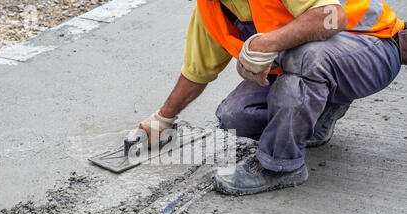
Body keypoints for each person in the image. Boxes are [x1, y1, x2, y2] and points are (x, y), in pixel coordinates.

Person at [138, 0, 405, 195]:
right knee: (235, 115)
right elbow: (197, 71)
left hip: (373, 47)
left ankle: (280, 166)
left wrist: (266, 44)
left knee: (306, 59)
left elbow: (329, 16)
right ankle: (322, 114)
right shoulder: (212, 8)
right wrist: (163, 119)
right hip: (318, 61)